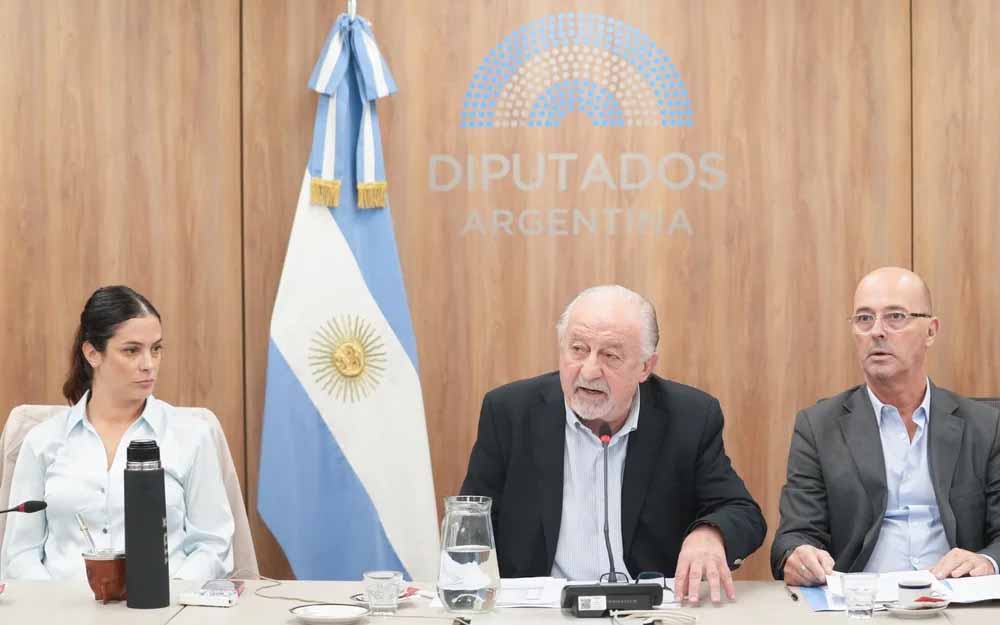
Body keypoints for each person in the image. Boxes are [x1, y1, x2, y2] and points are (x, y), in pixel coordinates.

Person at [460, 285, 765, 604]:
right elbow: (470, 520)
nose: (590, 370)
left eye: (610, 356)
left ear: (646, 367)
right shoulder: (510, 412)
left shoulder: (689, 417)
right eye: (578, 349)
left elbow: (743, 512)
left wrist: (710, 533)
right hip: (540, 610)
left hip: (647, 609)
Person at [772, 267, 1000, 585]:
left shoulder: (986, 426)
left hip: (954, 595)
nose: (877, 331)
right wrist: (798, 554)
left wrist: (987, 562)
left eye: (895, 317)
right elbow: (795, 535)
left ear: (931, 331)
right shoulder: (818, 427)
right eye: (864, 318)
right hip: (860, 599)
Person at [1, 285, 234, 580]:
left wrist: (171, 593)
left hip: (166, 602)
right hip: (61, 603)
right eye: (131, 350)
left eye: (156, 349)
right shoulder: (42, 440)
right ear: (92, 353)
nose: (149, 365)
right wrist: (54, 601)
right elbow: (20, 553)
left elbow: (212, 545)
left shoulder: (192, 435)